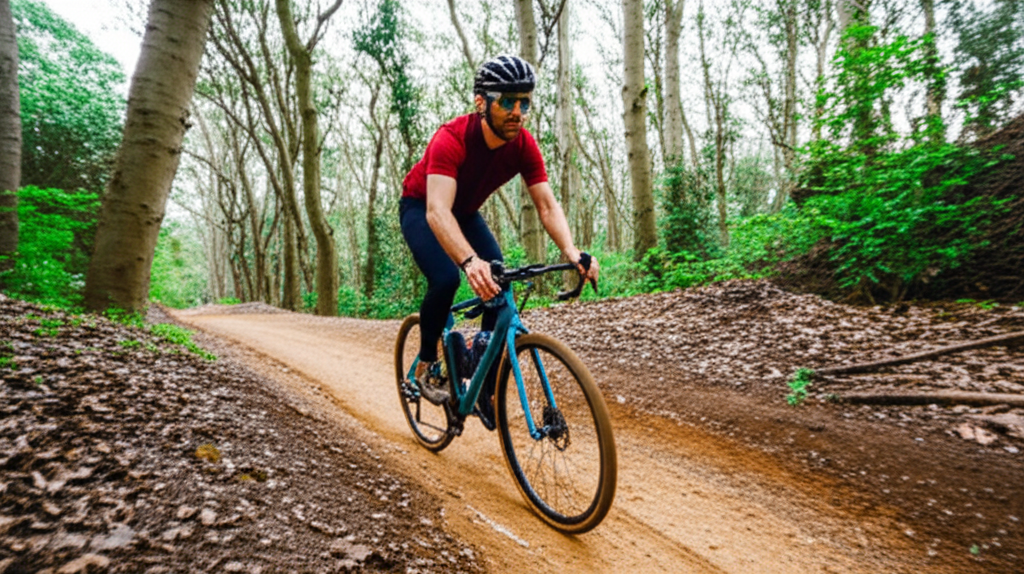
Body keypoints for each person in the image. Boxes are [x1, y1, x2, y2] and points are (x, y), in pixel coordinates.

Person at [399, 54, 598, 414]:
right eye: (507, 101)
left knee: (500, 277)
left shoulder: (523, 145)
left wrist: (572, 251)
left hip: (464, 212)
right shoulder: (451, 139)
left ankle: (478, 372)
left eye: (525, 103)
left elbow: (547, 206)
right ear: (481, 102)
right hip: (422, 206)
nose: (518, 112)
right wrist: (469, 261)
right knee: (445, 278)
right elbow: (437, 212)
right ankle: (428, 364)